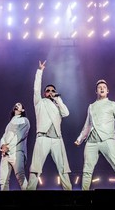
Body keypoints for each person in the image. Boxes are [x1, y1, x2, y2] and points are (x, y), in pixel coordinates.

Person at [74, 79, 115, 190]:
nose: (102, 88)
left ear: (107, 91)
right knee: (87, 170)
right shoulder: (91, 106)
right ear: (96, 91)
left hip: (108, 139)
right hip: (92, 142)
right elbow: (87, 125)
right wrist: (80, 139)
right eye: (99, 87)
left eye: (104, 87)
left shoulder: (112, 104)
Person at [27, 60, 72, 190]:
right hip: (43, 137)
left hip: (57, 139)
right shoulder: (39, 103)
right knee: (36, 168)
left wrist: (58, 98)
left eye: (53, 90)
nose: (50, 91)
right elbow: (36, 88)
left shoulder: (58, 105)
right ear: (44, 93)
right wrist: (40, 71)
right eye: (48, 90)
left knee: (63, 168)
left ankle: (69, 193)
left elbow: (66, 113)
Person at [0, 102, 30, 190]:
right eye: (16, 104)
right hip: (5, 154)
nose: (16, 105)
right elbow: (4, 136)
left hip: (17, 151)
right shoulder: (10, 122)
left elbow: (19, 136)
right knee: (3, 180)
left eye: (19, 105)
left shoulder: (24, 120)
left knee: (20, 176)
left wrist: (7, 147)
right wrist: (2, 146)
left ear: (22, 110)